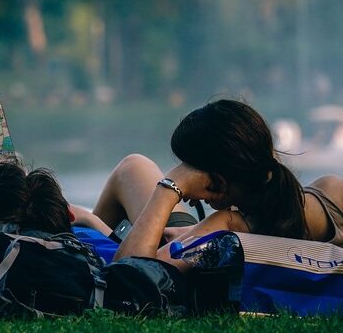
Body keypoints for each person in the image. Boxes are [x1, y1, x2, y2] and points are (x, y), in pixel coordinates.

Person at [112, 99, 343, 271]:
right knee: (133, 168)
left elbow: (131, 276)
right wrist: (192, 232)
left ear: (218, 182)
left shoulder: (225, 226)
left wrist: (171, 187)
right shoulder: (331, 189)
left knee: (132, 167)